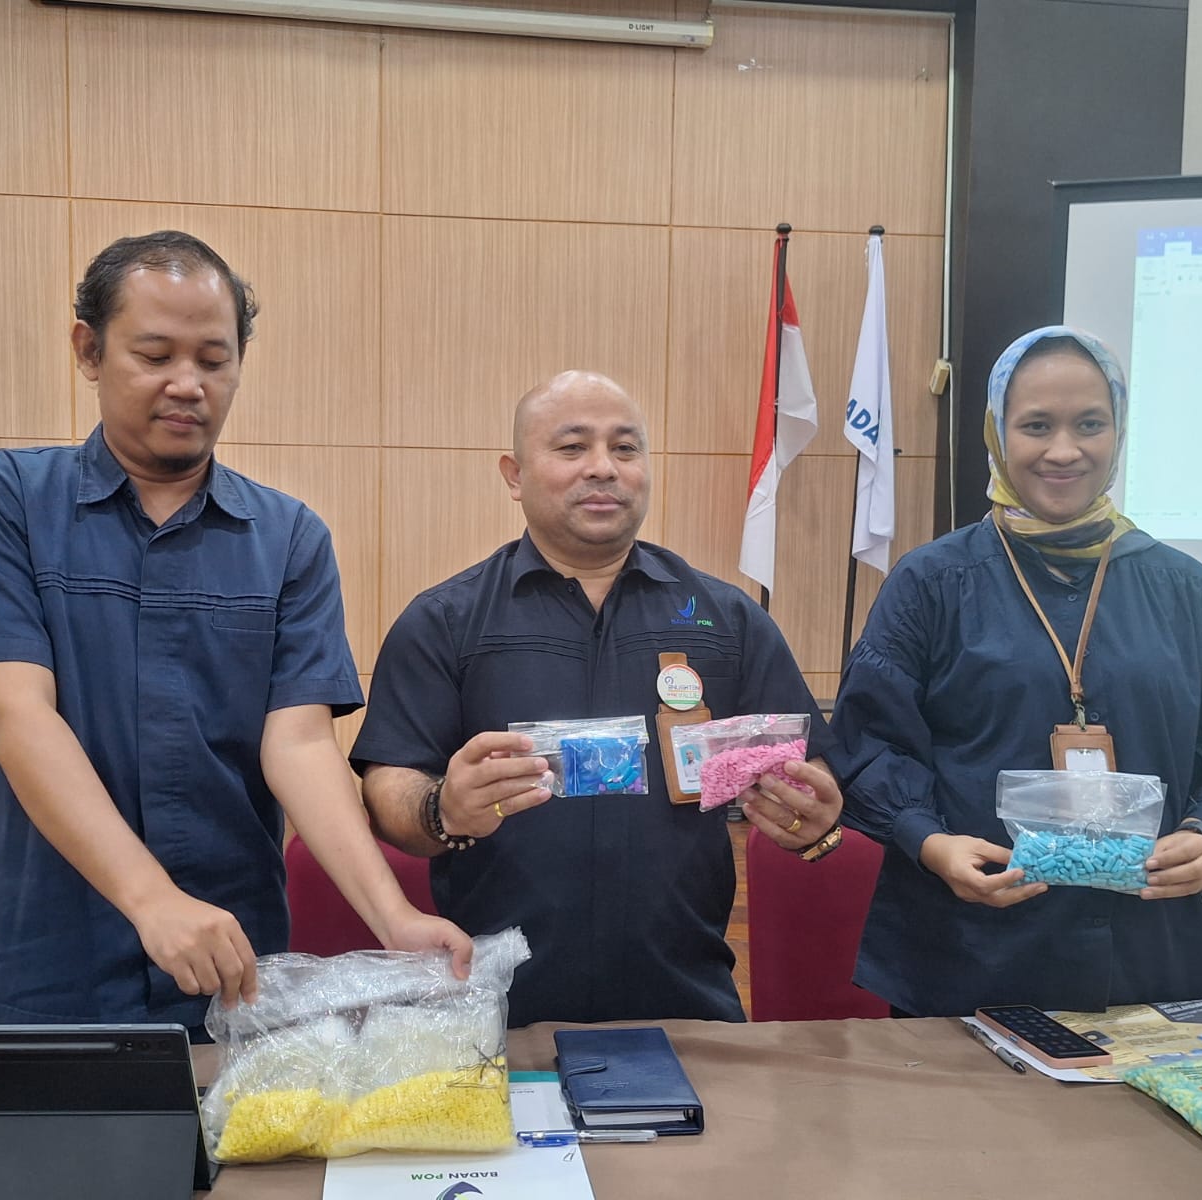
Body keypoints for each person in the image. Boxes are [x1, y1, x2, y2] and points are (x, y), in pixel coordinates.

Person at [0, 231, 471, 1030]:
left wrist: (394, 918)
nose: (187, 384)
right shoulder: (4, 501)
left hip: (236, 965)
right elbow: (15, 716)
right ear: (89, 351)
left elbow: (300, 745)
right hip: (53, 957)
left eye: (214, 360)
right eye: (155, 355)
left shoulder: (289, 538)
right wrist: (152, 900)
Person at [829, 325, 1202, 1017]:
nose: (1064, 450)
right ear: (998, 434)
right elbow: (868, 741)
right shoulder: (932, 583)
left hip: (1147, 954)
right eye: (1036, 425)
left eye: (1089, 424)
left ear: (1118, 431)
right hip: (967, 950)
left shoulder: (1181, 588)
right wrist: (929, 843)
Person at [350, 369, 845, 1027]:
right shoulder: (446, 621)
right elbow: (389, 786)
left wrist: (814, 816)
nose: (604, 468)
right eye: (572, 447)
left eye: (625, 448)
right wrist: (442, 808)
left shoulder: (726, 620)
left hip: (685, 1000)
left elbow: (809, 769)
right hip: (495, 1005)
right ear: (515, 475)